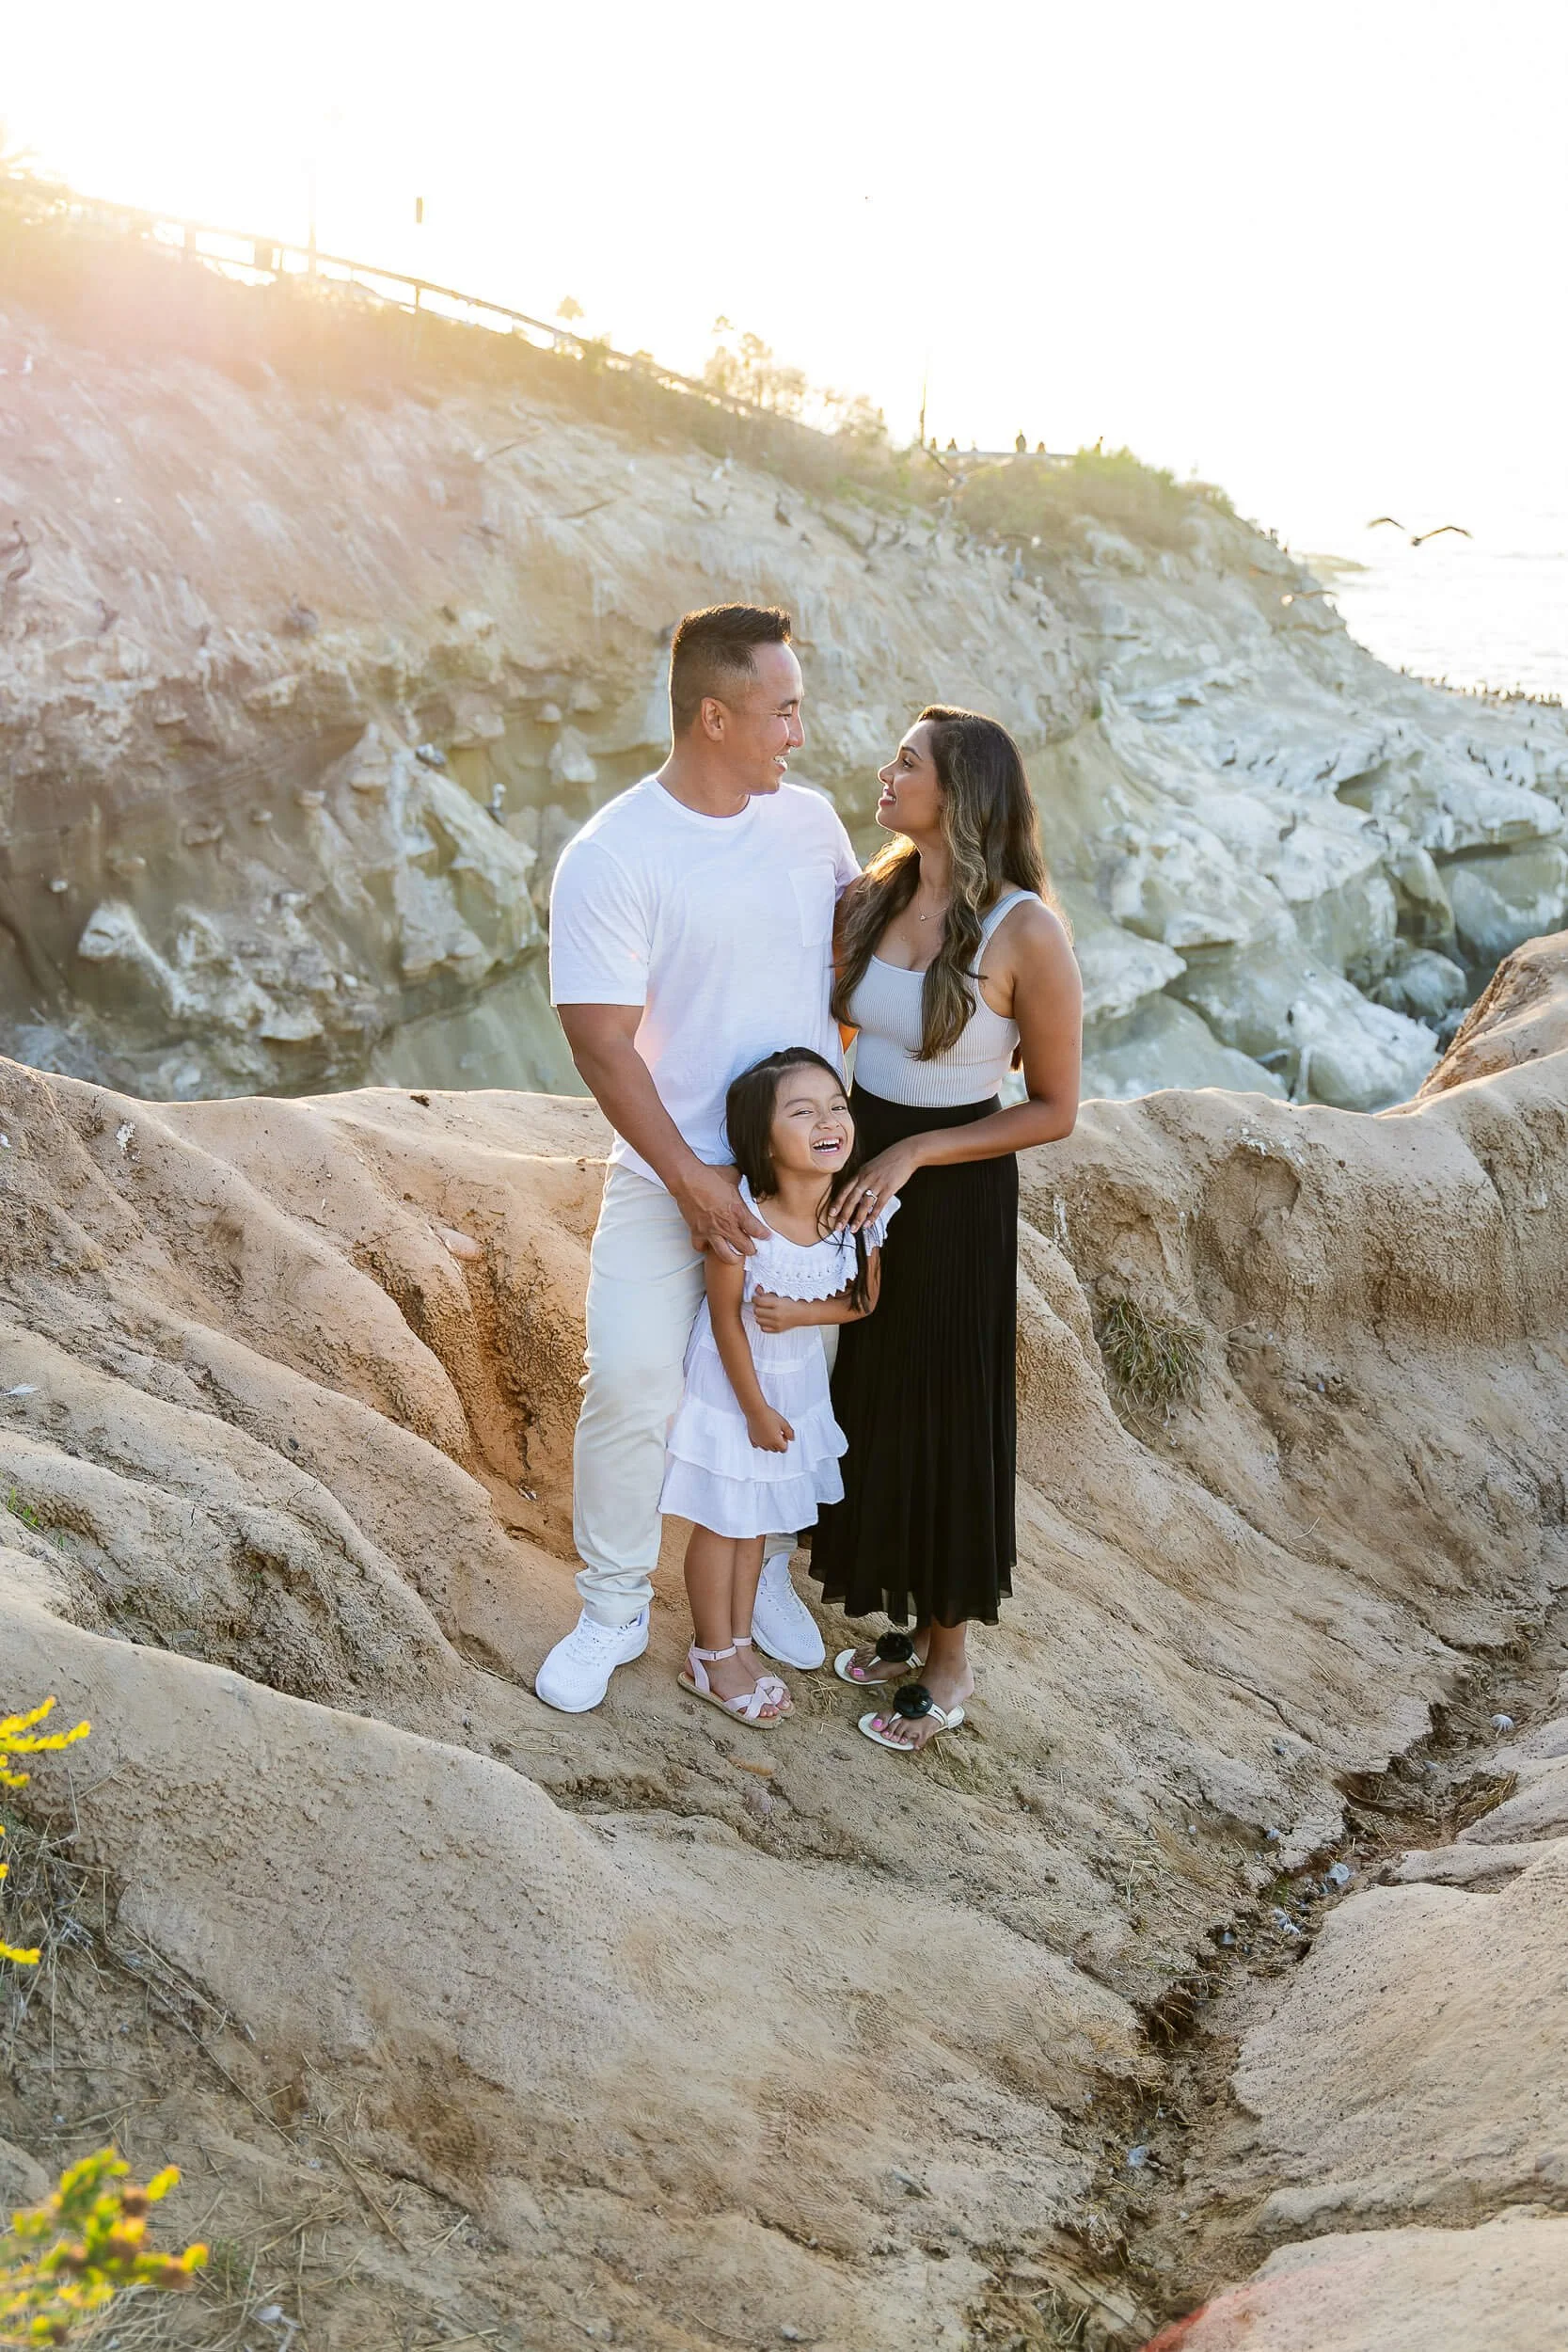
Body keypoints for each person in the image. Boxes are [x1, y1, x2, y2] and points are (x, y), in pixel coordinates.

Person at [539, 605, 859, 1713]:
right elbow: (598, 1040)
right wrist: (690, 1177)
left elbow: (849, 970)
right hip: (664, 1167)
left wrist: (815, 1134)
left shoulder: (812, 824)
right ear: (713, 716)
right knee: (630, 1378)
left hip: (791, 1186)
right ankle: (614, 1604)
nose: (797, 735)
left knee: (780, 1379)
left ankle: (761, 1570)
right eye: (782, 711)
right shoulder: (614, 853)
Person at [811, 707, 1083, 1752]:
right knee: (869, 1392)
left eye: (907, 763)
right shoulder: (875, 897)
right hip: (857, 1169)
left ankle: (950, 1652)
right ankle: (900, 1619)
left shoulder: (1025, 930)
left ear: (959, 792)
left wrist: (912, 1154)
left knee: (944, 1406)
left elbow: (1052, 1107)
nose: (885, 772)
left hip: (953, 1185)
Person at [660, 1049, 895, 1725]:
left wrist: (801, 1315)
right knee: (722, 1522)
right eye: (802, 1111)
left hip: (792, 1385)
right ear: (762, 1138)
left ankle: (734, 1646)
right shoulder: (741, 1219)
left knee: (754, 1527)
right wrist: (755, 1410)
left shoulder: (855, 1212)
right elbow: (727, 1325)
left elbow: (864, 1300)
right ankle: (710, 1653)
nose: (828, 1121)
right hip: (734, 1386)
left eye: (836, 1107)